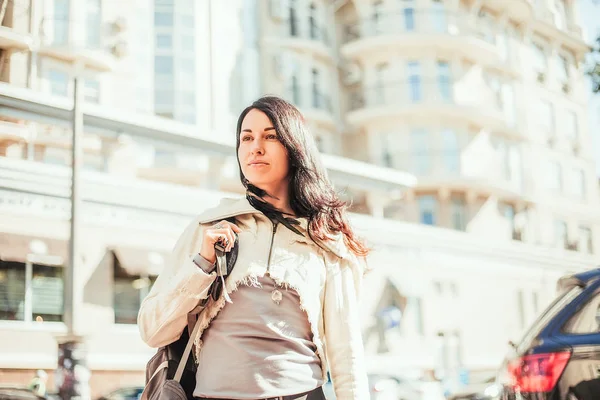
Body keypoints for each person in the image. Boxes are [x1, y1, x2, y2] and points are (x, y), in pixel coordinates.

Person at [138, 96, 371, 400]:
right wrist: (202, 265)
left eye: (270, 136)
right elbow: (152, 330)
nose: (255, 147)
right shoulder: (210, 226)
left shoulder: (327, 240)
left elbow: (347, 358)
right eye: (246, 137)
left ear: (294, 146)